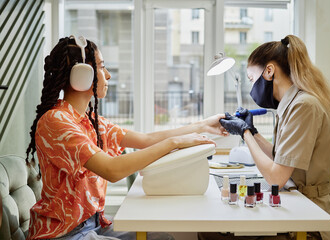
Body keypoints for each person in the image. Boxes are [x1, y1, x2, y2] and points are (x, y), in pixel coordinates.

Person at [25, 36, 228, 240]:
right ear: (81, 75)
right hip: (64, 234)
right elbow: (112, 170)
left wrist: (203, 125)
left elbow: (147, 140)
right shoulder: (56, 121)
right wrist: (174, 143)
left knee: (164, 238)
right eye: (102, 67)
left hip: (95, 224)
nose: (108, 75)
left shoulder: (90, 121)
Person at [214, 35, 330, 240]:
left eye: (251, 78)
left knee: (215, 234)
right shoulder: (293, 104)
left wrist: (245, 133)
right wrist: (253, 132)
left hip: (313, 218)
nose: (252, 87)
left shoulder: (303, 106)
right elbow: (280, 157)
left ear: (269, 71)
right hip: (300, 204)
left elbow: (276, 177)